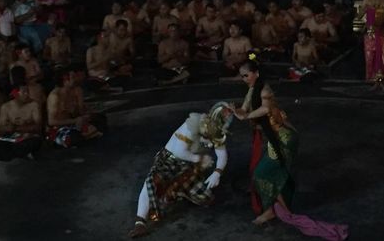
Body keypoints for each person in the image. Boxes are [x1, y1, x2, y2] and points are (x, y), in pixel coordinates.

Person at [128, 102, 234, 238]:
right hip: (171, 159)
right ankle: (140, 222)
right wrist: (200, 159)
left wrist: (217, 172)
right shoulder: (195, 123)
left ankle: (176, 192)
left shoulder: (218, 132)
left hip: (190, 167)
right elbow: (179, 152)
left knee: (205, 197)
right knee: (151, 182)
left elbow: (222, 154)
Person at [233, 60, 297, 223]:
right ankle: (275, 208)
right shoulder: (252, 90)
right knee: (266, 172)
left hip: (283, 138)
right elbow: (244, 109)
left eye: (246, 75)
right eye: (242, 76)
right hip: (272, 138)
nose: (244, 79)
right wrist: (233, 110)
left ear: (257, 73)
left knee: (261, 173)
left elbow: (265, 109)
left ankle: (271, 211)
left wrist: (246, 116)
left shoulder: (265, 91)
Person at [47, 67, 103, 148]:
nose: (76, 79)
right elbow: (51, 122)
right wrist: (75, 120)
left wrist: (85, 114)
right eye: (73, 77)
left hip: (75, 122)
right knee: (74, 137)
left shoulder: (77, 90)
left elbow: (80, 112)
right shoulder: (55, 96)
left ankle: (87, 136)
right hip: (60, 127)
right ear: (65, 80)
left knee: (100, 120)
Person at [0, 81, 43, 161]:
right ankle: (17, 153)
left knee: (34, 142)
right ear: (15, 93)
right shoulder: (5, 107)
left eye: (27, 92)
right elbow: (2, 129)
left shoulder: (34, 105)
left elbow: (38, 127)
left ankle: (14, 153)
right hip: (12, 138)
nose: (27, 94)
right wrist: (5, 129)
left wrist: (16, 128)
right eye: (24, 92)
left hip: (28, 137)